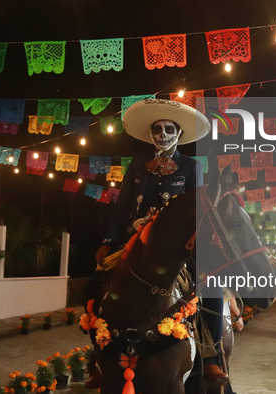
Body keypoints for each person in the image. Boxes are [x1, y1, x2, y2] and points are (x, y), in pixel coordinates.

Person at [93, 99, 229, 386]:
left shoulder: (191, 166)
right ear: (151, 133)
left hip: (178, 245)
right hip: (135, 242)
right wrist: (109, 240)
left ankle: (210, 356)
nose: (162, 134)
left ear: (179, 134)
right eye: (158, 129)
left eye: (169, 129)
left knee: (212, 287)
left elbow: (198, 209)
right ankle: (100, 356)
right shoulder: (138, 164)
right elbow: (123, 206)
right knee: (96, 285)